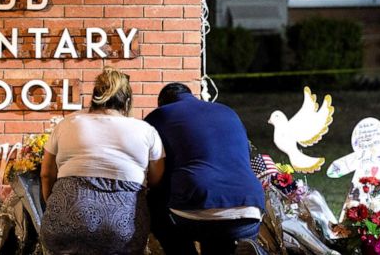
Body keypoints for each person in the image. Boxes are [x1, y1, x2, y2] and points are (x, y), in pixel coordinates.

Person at [40, 69, 165, 255]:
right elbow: (156, 179)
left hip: (64, 222)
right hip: (123, 228)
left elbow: (45, 174)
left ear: (94, 97)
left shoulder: (68, 123)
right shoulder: (146, 131)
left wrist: (53, 205)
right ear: (127, 101)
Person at [144, 83, 266, 255]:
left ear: (163, 103)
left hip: (197, 209)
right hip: (250, 208)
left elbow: (152, 169)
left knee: (152, 202)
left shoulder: (159, 116)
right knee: (219, 239)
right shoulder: (227, 111)